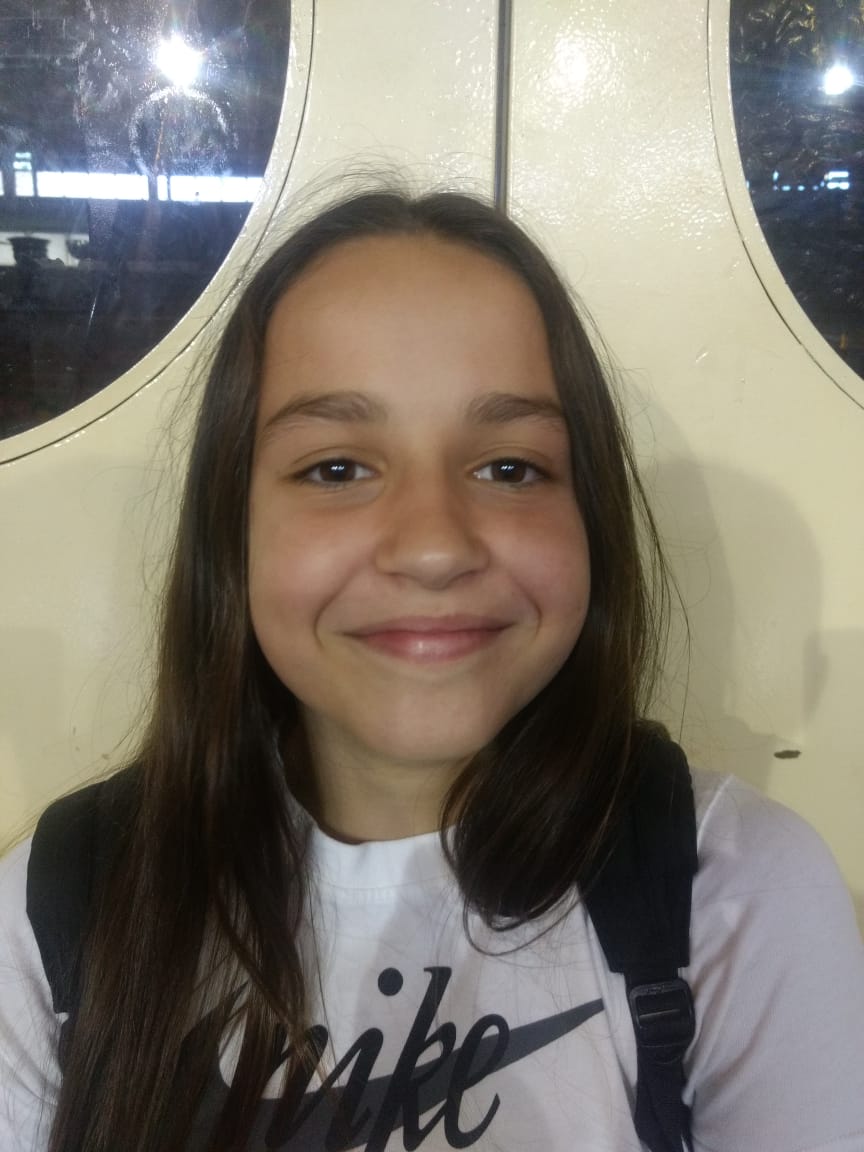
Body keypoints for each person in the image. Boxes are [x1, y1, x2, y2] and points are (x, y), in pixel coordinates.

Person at [0, 188, 862, 1152]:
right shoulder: (61, 903)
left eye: (509, 468)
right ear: (231, 530)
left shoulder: (733, 890)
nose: (434, 547)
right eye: (336, 468)